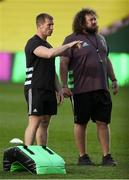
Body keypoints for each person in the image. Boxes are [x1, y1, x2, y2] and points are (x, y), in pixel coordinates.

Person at [60, 8, 119, 166]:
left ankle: (107, 156)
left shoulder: (101, 38)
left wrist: (113, 79)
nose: (95, 21)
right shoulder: (71, 39)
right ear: (82, 22)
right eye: (91, 19)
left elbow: (106, 60)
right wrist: (64, 85)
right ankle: (82, 156)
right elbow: (63, 63)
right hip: (80, 89)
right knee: (81, 123)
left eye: (95, 19)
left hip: (102, 88)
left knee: (103, 122)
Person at [24, 13, 81, 146]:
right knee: (35, 121)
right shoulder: (33, 43)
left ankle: (41, 153)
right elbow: (49, 54)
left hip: (48, 89)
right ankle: (26, 153)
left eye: (53, 25)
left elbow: (52, 71)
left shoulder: (48, 45)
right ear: (39, 25)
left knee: (45, 122)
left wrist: (59, 89)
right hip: (35, 87)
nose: (52, 27)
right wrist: (69, 45)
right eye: (49, 24)